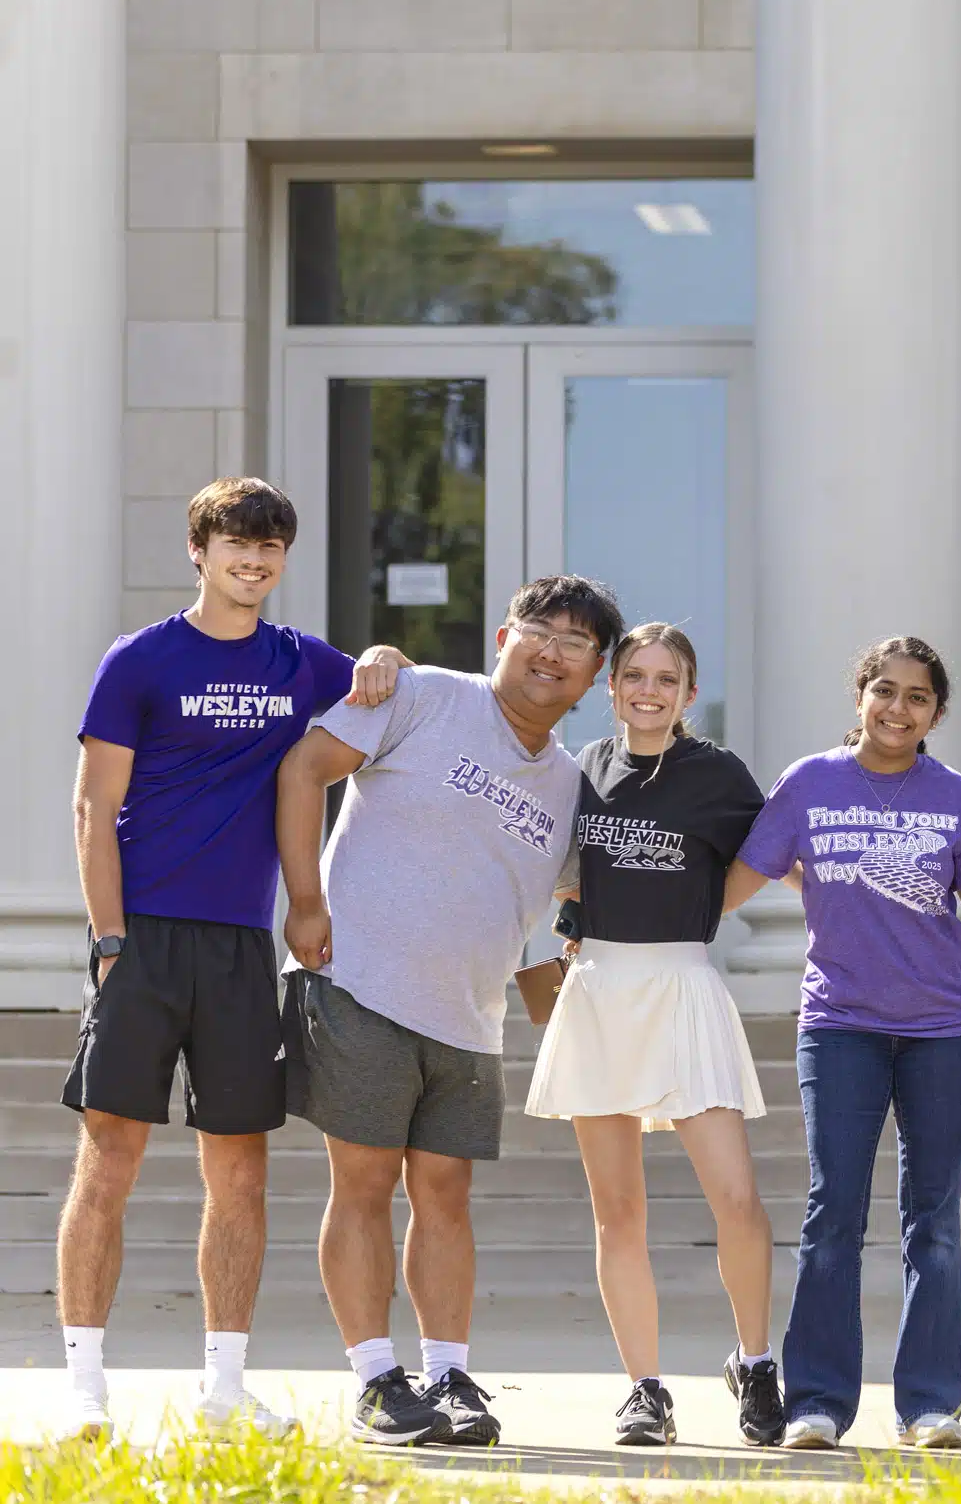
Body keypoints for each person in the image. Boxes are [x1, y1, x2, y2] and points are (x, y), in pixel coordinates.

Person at [56, 477, 402, 1438]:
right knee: (110, 1161)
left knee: (240, 1172)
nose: (254, 561)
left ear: (282, 560)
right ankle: (86, 1385)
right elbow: (93, 809)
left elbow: (393, 684)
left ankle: (225, 1388)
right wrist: (110, 938)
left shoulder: (300, 661)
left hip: (244, 949)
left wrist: (380, 652)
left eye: (270, 549)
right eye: (236, 545)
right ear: (199, 552)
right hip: (145, 937)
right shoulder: (141, 660)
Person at [275, 574, 623, 1448]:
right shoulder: (420, 693)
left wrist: (572, 1041)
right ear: (503, 633)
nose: (552, 650)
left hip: (469, 1017)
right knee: (360, 1183)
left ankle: (446, 1374)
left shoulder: (570, 786)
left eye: (575, 643)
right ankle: (375, 1381)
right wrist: (305, 902)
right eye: (539, 629)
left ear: (593, 678)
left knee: (446, 1196)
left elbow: (540, 929)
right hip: (358, 979)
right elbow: (304, 767)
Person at [727, 636, 961, 1452]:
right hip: (840, 1024)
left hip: (944, 1029)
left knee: (935, 1219)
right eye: (884, 690)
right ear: (859, 697)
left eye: (917, 697)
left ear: (937, 714)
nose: (898, 707)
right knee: (831, 1213)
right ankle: (816, 1400)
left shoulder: (953, 795)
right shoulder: (810, 783)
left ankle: (931, 1403)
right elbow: (736, 877)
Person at [523, 623, 781, 1448]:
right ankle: (645, 1389)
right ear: (612, 686)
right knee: (618, 1212)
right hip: (598, 987)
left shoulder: (718, 774)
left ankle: (756, 1359)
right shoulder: (582, 769)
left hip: (682, 987)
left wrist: (708, 906)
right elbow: (563, 870)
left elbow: (774, 849)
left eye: (666, 678)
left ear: (688, 693)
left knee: (735, 1198)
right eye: (634, 674)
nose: (648, 690)